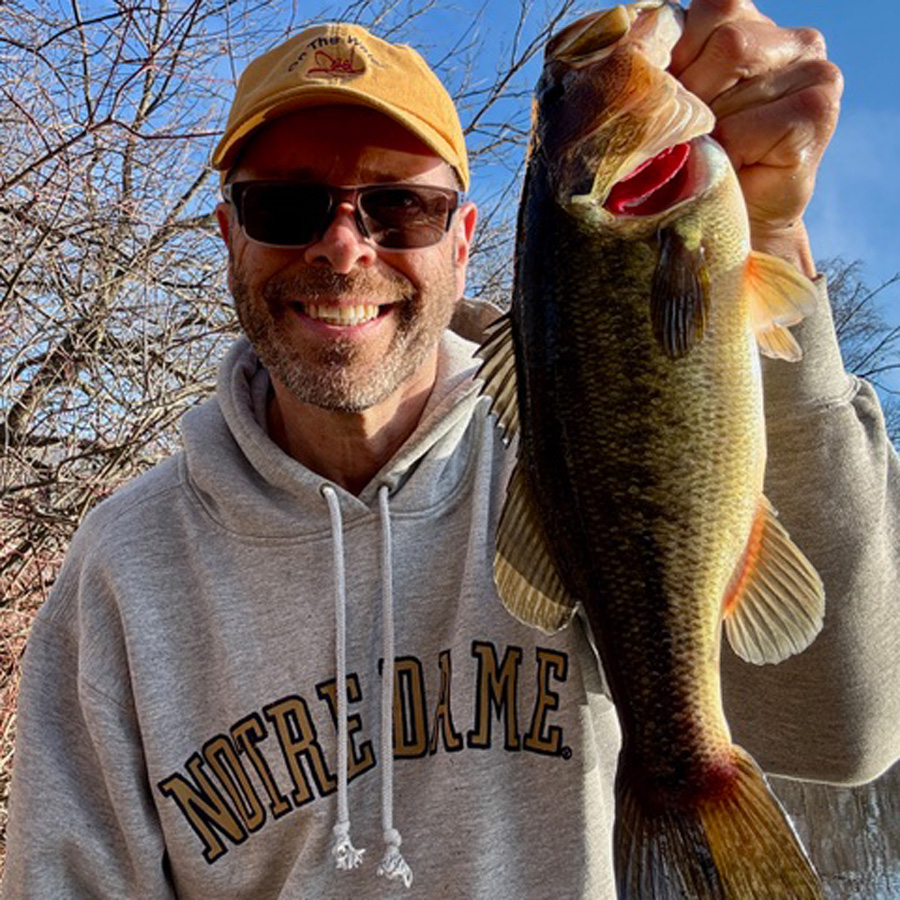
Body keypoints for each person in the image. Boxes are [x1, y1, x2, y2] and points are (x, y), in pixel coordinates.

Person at [4, 2, 899, 897]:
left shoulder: (557, 464)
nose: (344, 247)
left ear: (464, 244)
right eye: (283, 206)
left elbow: (848, 729)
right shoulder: (123, 570)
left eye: (402, 206)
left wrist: (770, 239)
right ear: (229, 237)